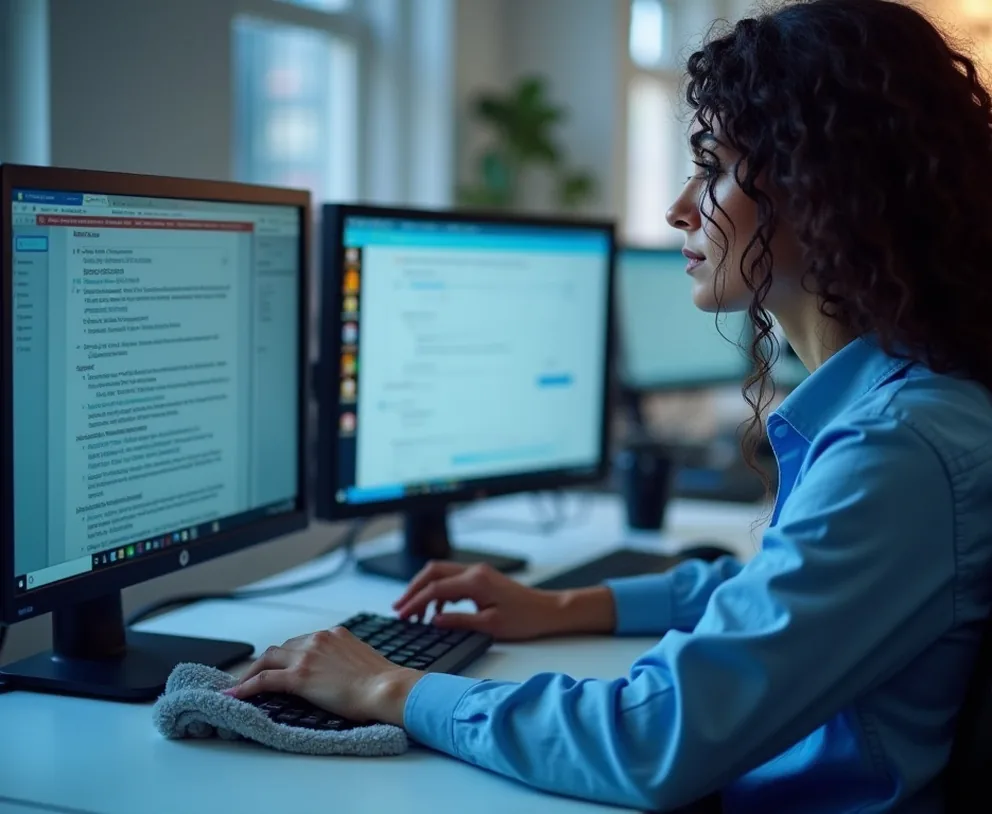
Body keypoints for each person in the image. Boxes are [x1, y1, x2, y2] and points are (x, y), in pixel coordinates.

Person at [225, 1, 992, 810]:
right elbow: (777, 596)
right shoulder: (909, 404)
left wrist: (391, 689)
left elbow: (651, 740)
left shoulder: (899, 448)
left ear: (822, 191)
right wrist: (563, 605)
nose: (680, 207)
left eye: (717, 168)